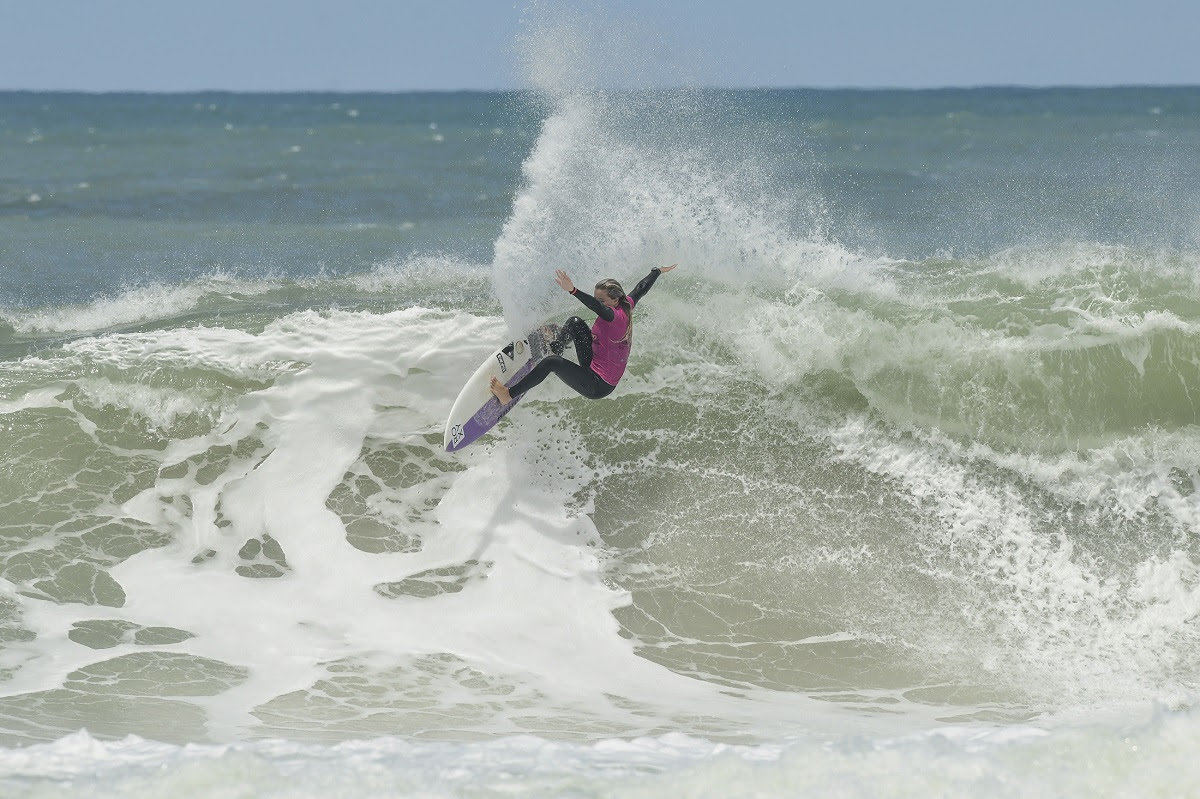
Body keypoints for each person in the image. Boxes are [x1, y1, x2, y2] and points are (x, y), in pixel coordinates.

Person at [489, 263, 678, 405]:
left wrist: (573, 290)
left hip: (597, 385)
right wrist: (657, 271)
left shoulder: (615, 316)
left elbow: (596, 307)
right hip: (593, 365)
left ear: (614, 300)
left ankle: (508, 395)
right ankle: (554, 345)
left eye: (602, 300)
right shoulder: (626, 303)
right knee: (575, 322)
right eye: (598, 298)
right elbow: (640, 289)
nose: (599, 303)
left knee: (551, 362)